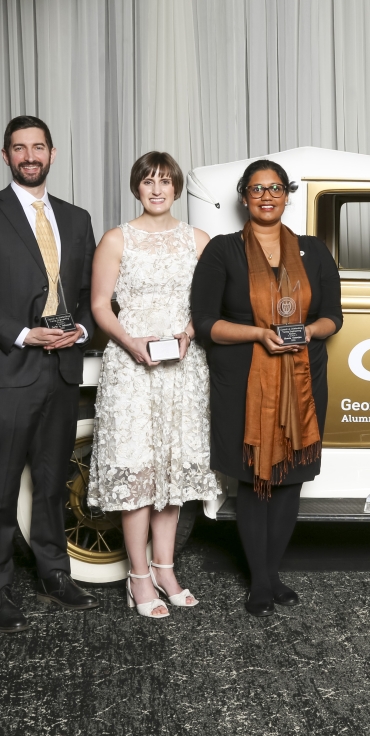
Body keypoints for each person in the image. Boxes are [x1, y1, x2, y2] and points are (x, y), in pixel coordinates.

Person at [0, 115, 99, 632]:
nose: (29, 156)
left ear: (53, 154)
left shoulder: (77, 219)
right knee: (0, 485)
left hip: (61, 367)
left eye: (38, 147)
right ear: (6, 156)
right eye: (19, 148)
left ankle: (54, 572)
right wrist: (21, 333)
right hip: (9, 366)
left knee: (54, 482)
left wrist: (78, 331)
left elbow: (87, 298)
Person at [190, 159, 342, 617]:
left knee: (290, 479)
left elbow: (334, 316)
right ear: (244, 197)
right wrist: (258, 334)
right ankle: (260, 580)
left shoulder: (314, 251)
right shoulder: (222, 251)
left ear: (287, 195)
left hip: (302, 381)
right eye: (257, 189)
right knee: (254, 479)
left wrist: (308, 331)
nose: (266, 196)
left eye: (275, 188)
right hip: (243, 381)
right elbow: (205, 324)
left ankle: (272, 572)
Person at [88, 152, 218, 618]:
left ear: (177, 188)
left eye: (165, 181)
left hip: (184, 367)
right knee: (139, 468)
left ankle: (166, 567)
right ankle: (138, 576)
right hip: (131, 366)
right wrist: (131, 342)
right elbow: (101, 306)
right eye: (148, 181)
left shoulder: (199, 241)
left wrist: (187, 334)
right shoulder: (116, 239)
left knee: (174, 467)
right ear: (136, 188)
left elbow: (210, 303)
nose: (157, 189)